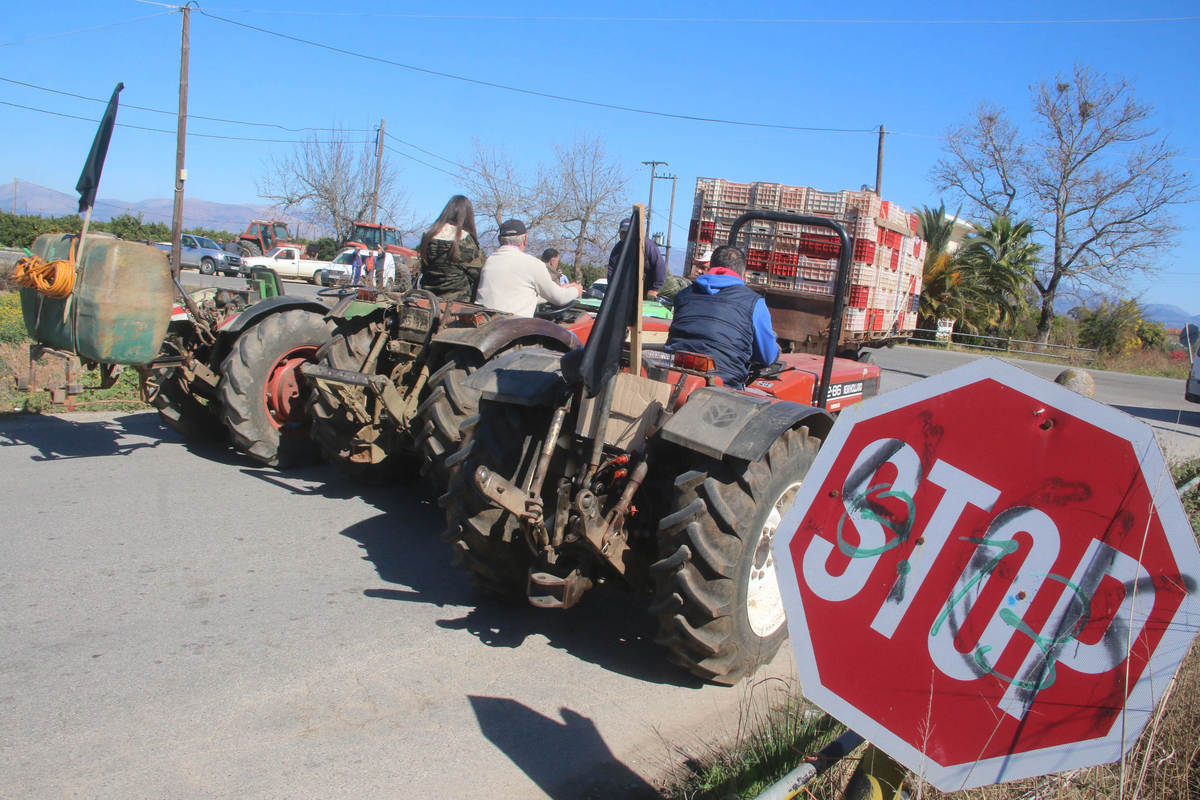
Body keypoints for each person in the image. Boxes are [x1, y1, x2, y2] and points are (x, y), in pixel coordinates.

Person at [665, 244, 779, 389]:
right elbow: (767, 357)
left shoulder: (683, 295)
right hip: (724, 389)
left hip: (675, 380)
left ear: (710, 268)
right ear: (743, 276)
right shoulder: (755, 303)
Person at [476, 219, 582, 317]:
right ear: (525, 239)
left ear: (500, 239)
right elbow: (560, 298)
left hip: (487, 324)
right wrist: (576, 290)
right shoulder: (532, 264)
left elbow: (519, 295)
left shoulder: (490, 261)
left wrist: (561, 289)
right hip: (513, 329)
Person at [419, 195, 484, 301]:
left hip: (429, 299)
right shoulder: (464, 239)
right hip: (458, 303)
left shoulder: (428, 236)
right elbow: (477, 275)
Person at [607, 217, 666, 298]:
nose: (625, 235)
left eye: (628, 233)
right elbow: (611, 271)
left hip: (650, 287)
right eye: (622, 233)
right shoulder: (617, 249)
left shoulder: (648, 245)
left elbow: (659, 266)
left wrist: (655, 289)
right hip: (629, 289)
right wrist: (612, 289)